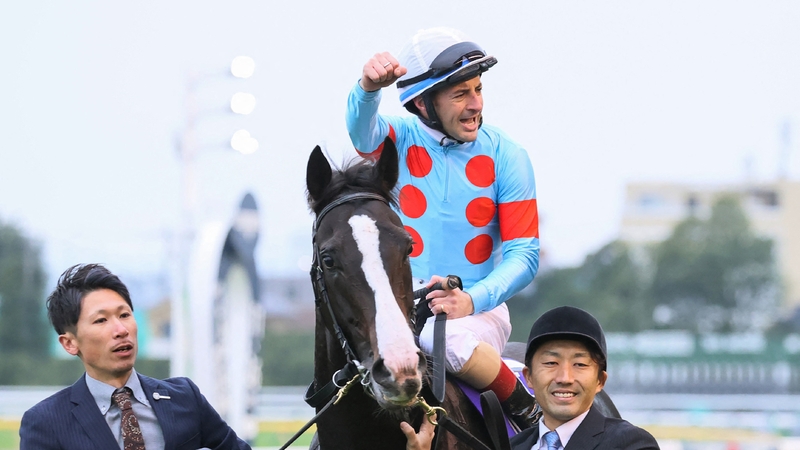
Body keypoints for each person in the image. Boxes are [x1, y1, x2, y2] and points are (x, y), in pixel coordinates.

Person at [347, 26, 540, 430]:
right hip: (400, 307)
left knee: (442, 338)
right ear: (422, 103)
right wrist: (367, 88)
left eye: (478, 89)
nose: (476, 105)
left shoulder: (509, 155)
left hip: (476, 312)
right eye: (460, 94)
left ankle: (527, 411)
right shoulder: (397, 140)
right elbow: (361, 131)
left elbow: (525, 254)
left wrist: (470, 300)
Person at [19, 263, 251, 450]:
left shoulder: (185, 398)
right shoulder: (46, 422)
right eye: (101, 320)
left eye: (125, 314)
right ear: (69, 343)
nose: (121, 329)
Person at [510, 306, 660, 450]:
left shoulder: (631, 443)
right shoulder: (511, 446)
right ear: (528, 377)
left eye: (580, 364)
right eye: (551, 363)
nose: (565, 378)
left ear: (600, 380)